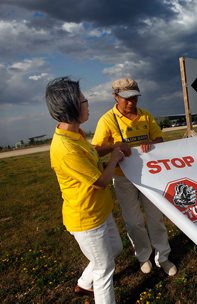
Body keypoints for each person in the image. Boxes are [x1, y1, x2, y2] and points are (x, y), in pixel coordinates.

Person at [46, 77, 124, 303]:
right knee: (105, 268)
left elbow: (91, 154)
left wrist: (112, 147)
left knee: (116, 248)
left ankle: (83, 283)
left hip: (100, 210)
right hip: (86, 218)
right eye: (84, 100)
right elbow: (99, 182)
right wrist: (115, 159)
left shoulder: (75, 134)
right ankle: (95, 287)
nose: (88, 104)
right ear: (71, 106)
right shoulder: (66, 148)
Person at [92, 78, 177, 276]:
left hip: (150, 175)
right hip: (123, 178)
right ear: (116, 97)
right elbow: (96, 150)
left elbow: (159, 140)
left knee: (156, 218)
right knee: (133, 221)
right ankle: (143, 256)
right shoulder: (107, 120)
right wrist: (115, 147)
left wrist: (150, 142)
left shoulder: (145, 116)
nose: (132, 103)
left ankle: (163, 256)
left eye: (135, 98)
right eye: (127, 99)